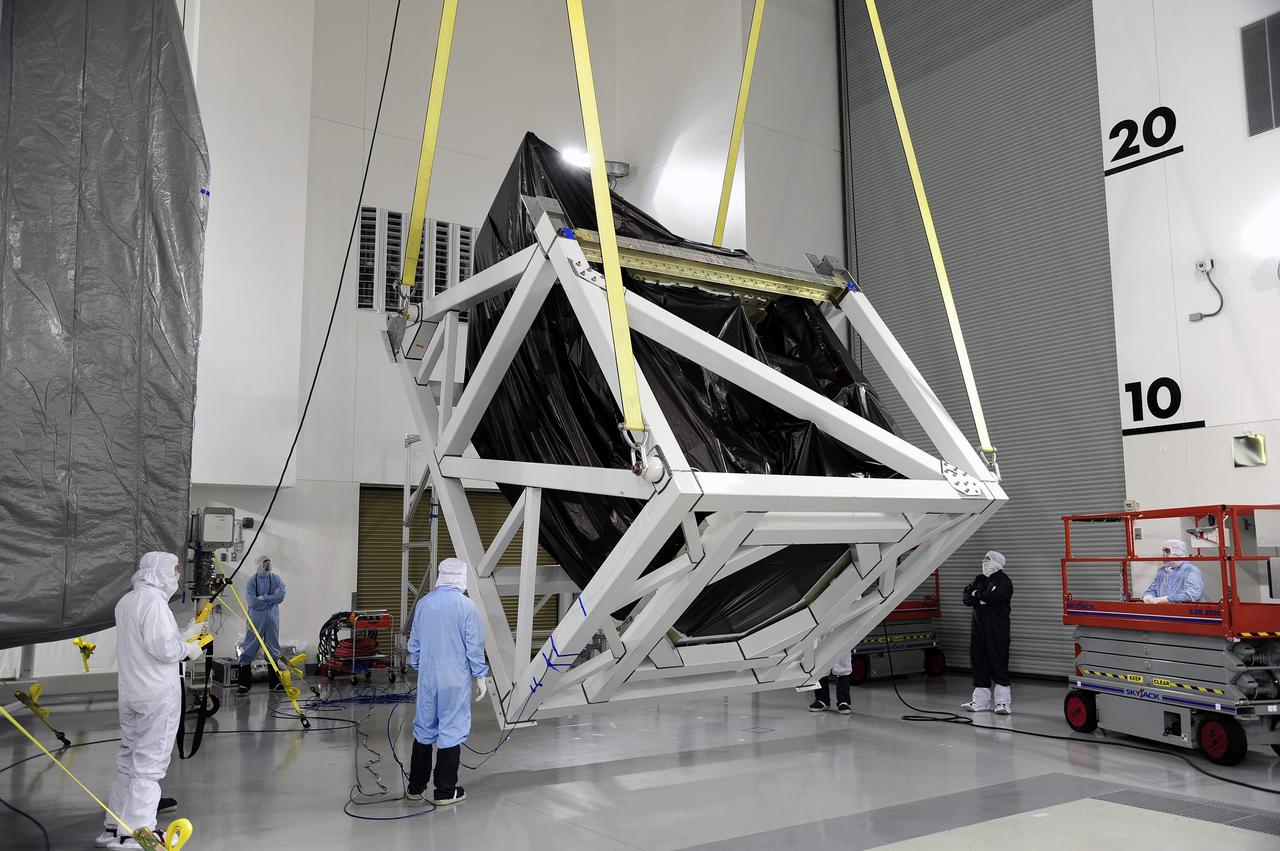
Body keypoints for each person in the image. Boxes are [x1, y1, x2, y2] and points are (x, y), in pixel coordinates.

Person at [96, 552, 205, 849]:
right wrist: (188, 650)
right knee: (149, 764)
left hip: (132, 693)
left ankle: (114, 828)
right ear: (158, 572)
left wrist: (188, 634)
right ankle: (137, 833)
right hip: (156, 695)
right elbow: (165, 650)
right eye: (174, 570)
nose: (177, 576)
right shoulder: (155, 603)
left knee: (128, 759)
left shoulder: (128, 601)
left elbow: (149, 642)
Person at [405, 558, 488, 806]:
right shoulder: (466, 607)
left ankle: (415, 786)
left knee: (424, 727)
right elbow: (474, 647)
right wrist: (480, 675)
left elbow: (415, 642)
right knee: (451, 728)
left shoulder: (424, 604)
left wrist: (419, 664)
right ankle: (444, 790)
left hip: (428, 678)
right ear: (462, 578)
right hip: (454, 678)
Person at [961, 551, 1013, 715]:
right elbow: (966, 598)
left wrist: (979, 596)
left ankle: (1003, 703)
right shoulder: (979, 579)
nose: (984, 562)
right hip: (978, 630)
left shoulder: (1004, 581)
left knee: (998, 662)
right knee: (979, 662)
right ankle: (980, 702)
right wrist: (981, 597)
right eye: (984, 559)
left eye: (988, 559)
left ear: (997, 562)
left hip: (997, 629)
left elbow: (996, 597)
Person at [237, 554, 286, 695]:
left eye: (269, 561)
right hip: (255, 619)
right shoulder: (251, 582)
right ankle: (244, 684)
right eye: (265, 562)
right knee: (250, 647)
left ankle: (274, 683)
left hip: (272, 620)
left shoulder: (276, 579)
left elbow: (281, 596)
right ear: (259, 564)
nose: (268, 564)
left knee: (272, 649)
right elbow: (252, 602)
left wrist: (264, 597)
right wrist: (272, 599)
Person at [1141, 539, 1204, 603]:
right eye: (1163, 551)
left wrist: (1168, 599)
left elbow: (1193, 594)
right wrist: (1148, 596)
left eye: (1167, 551)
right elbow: (1153, 589)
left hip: (1185, 611)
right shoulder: (1162, 571)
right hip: (1163, 610)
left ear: (1177, 552)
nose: (1164, 555)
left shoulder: (1191, 570)